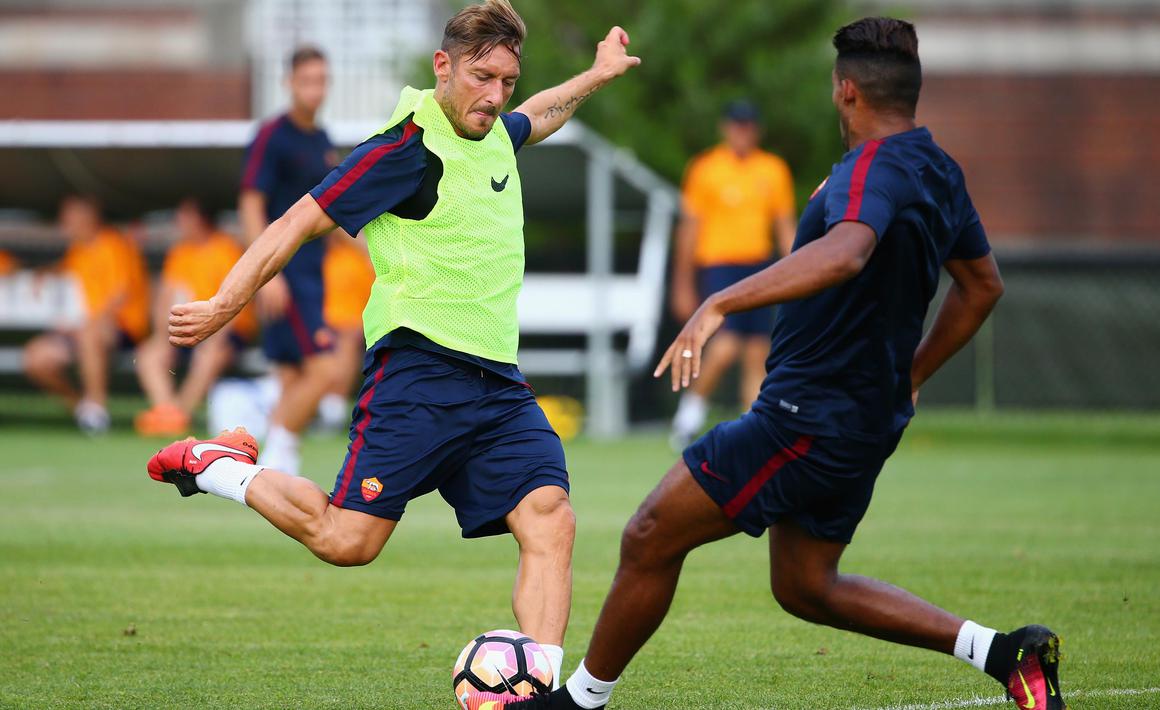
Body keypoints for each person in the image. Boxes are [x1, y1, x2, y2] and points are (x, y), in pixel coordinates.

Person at [496, 18, 1063, 710]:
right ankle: (1007, 654)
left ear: (845, 91)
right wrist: (911, 376)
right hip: (860, 416)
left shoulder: (870, 170)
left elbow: (849, 249)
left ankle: (577, 701)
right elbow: (982, 285)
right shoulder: (936, 169)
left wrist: (720, 304)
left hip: (806, 417)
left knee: (648, 534)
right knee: (805, 585)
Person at [145, 0, 640, 694]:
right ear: (444, 66)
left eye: (506, 80)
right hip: (419, 374)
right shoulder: (402, 151)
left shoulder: (496, 129)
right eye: (481, 77)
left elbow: (545, 112)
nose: (496, 96)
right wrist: (227, 303)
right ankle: (218, 466)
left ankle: (538, 697)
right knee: (348, 542)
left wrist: (595, 74)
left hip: (497, 384)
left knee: (549, 520)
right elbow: (296, 219)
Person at [668, 101, 796, 450]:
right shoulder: (706, 169)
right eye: (738, 126)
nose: (743, 133)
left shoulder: (772, 169)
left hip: (759, 266)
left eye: (749, 126)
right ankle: (688, 418)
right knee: (724, 347)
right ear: (726, 128)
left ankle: (753, 428)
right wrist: (682, 284)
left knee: (757, 351)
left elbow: (784, 227)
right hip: (719, 265)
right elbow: (690, 231)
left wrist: (800, 270)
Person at [239, 45, 339, 475]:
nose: (315, 89)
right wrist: (268, 273)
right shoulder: (271, 136)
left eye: (322, 80)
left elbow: (334, 212)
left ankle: (275, 467)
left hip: (313, 272)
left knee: (294, 373)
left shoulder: (322, 142)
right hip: (287, 273)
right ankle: (278, 448)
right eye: (307, 80)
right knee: (325, 371)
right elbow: (249, 204)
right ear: (289, 83)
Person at [23, 195, 149, 435]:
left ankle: (97, 405)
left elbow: (121, 294)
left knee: (89, 335)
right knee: (36, 358)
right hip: (80, 329)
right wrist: (43, 274)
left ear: (88, 218)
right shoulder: (78, 249)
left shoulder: (113, 244)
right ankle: (83, 410)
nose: (64, 224)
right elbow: (65, 270)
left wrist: (85, 323)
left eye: (68, 218)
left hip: (120, 327)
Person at [134, 199, 256, 436]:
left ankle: (181, 414)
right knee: (149, 355)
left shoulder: (225, 248)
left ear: (201, 219)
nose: (179, 223)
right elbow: (166, 295)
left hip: (224, 329)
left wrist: (215, 335)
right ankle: (167, 413)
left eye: (184, 217)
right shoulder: (180, 252)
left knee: (208, 355)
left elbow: (234, 299)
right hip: (187, 327)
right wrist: (163, 335)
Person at [316, 232, 375, 430]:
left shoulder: (358, 258)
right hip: (327, 319)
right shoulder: (331, 256)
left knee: (346, 349)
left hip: (348, 320)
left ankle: (333, 412)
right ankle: (328, 411)